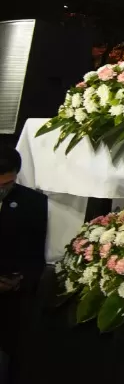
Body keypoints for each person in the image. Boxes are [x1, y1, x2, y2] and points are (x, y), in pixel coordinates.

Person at [0, 148, 47, 357]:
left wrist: (21, 280)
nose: (1, 190)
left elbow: (35, 251)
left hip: (10, 298)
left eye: (6, 184)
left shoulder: (33, 202)